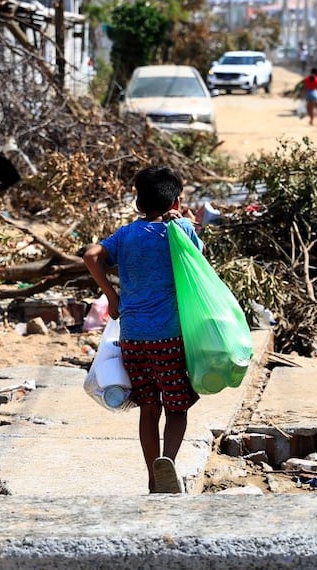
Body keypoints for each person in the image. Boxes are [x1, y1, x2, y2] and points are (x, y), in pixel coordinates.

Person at [83, 165, 203, 494]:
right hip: (169, 337)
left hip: (132, 338)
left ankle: (153, 478)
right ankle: (169, 462)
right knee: (177, 408)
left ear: (139, 203)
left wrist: (112, 296)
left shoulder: (125, 235)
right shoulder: (181, 230)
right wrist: (190, 224)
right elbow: (198, 265)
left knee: (149, 408)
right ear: (176, 201)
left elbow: (92, 256)